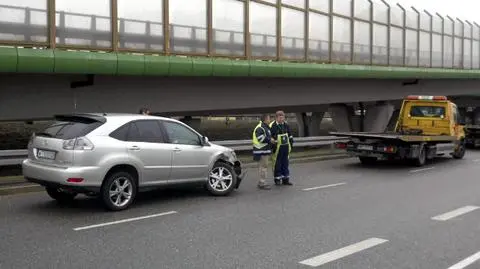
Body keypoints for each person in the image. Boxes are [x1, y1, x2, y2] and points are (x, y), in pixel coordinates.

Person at [270, 110, 294, 186]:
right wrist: (272, 148)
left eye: (282, 117)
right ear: (276, 118)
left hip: (285, 148)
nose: (281, 119)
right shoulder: (272, 126)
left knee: (285, 164)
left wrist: (291, 145)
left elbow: (290, 136)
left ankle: (285, 179)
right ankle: (277, 179)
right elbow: (270, 138)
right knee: (277, 165)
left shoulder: (286, 125)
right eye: (280, 117)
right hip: (277, 149)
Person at [252, 114, 273, 190]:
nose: (270, 120)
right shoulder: (260, 127)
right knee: (263, 167)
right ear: (265, 119)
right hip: (261, 151)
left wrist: (270, 139)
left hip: (264, 150)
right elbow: (260, 138)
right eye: (269, 118)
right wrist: (270, 140)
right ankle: (262, 183)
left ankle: (262, 182)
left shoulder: (265, 127)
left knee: (263, 167)